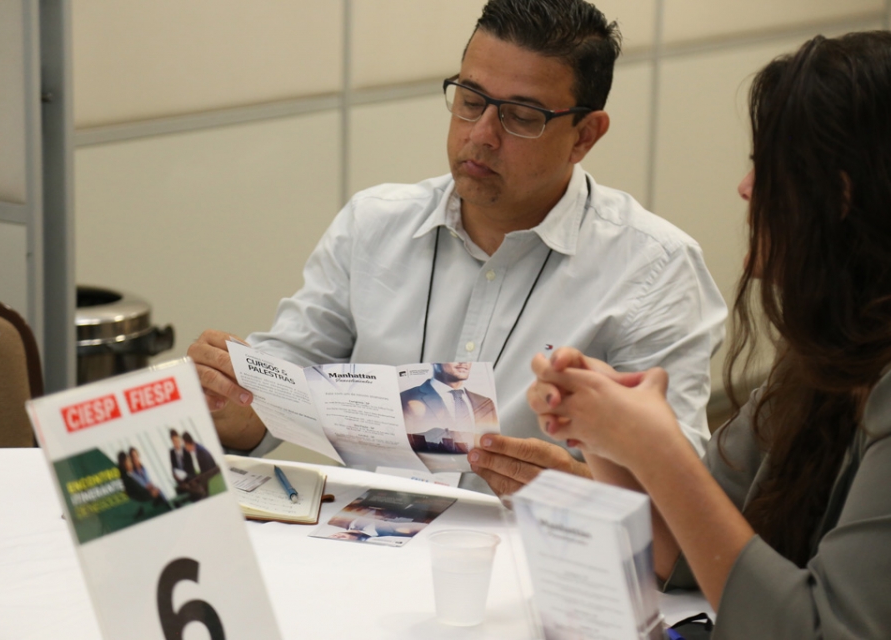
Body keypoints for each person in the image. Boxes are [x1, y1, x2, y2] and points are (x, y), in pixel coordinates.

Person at [188, 0, 726, 495]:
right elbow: (279, 391)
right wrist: (228, 398)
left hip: (536, 555)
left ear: (585, 135)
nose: (482, 135)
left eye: (521, 117)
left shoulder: (655, 270)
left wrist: (575, 486)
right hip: (361, 549)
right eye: (470, 101)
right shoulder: (373, 225)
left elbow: (680, 495)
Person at [528, 31, 891, 637]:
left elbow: (823, 630)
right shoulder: (826, 353)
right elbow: (691, 553)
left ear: (842, 194)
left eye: (768, 167)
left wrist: (658, 450)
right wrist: (601, 430)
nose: (746, 188)